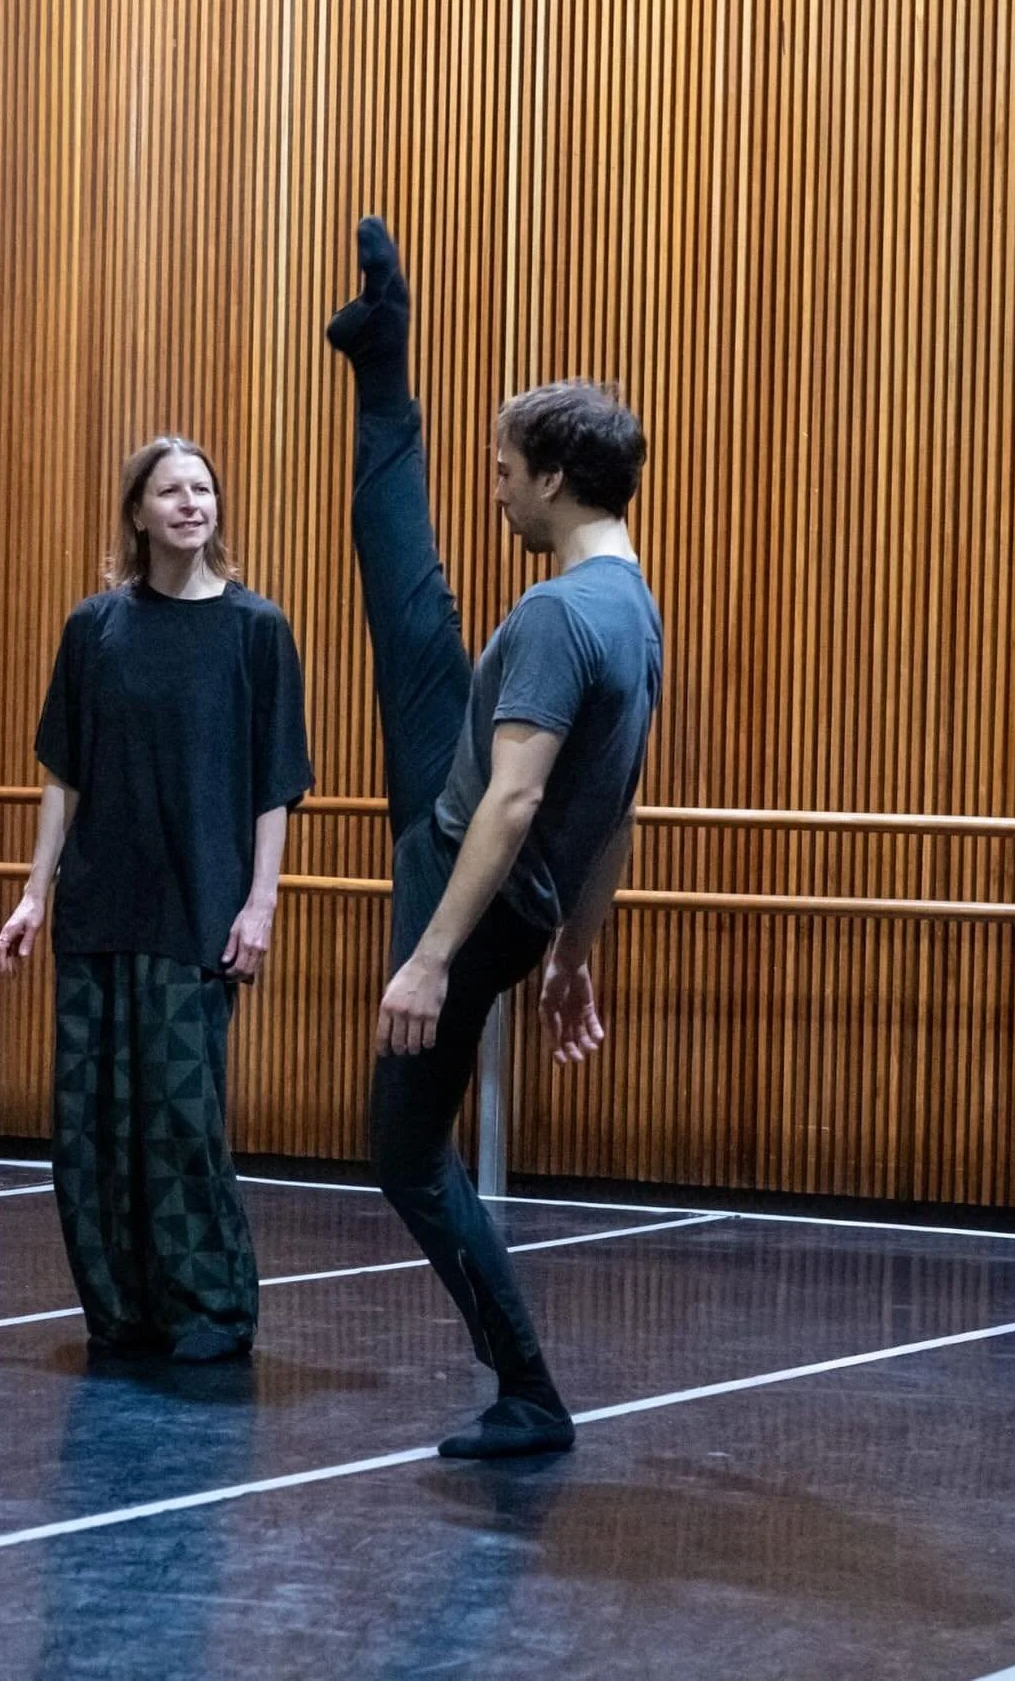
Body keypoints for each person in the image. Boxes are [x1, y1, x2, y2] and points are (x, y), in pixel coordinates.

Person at [326, 218, 662, 1457]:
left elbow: (522, 804)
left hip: (462, 868)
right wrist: (580, 952)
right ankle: (382, 365)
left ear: (557, 480)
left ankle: (528, 1388)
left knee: (405, 1152)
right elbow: (609, 805)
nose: (500, 487)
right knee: (406, 596)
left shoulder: (555, 616)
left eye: (506, 470)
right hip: (477, 837)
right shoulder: (629, 608)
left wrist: (426, 955)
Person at [0, 436, 313, 1363]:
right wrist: (33, 895)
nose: (190, 503)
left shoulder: (258, 631)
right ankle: (121, 1310)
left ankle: (209, 1312)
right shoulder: (94, 628)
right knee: (91, 1125)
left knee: (179, 1119)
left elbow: (275, 785)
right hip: (100, 908)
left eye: (203, 488)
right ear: (137, 512)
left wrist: (260, 905)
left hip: (199, 909)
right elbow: (65, 773)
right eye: (169, 490)